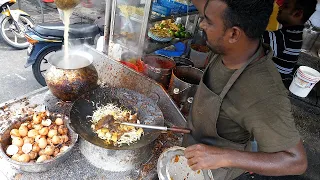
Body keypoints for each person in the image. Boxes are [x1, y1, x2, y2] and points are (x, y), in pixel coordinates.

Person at [183, 0, 307, 180]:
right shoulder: (231, 48)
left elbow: (296, 162)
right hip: (191, 151)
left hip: (213, 174)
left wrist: (224, 157)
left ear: (233, 34)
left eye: (208, 21)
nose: (201, 24)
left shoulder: (262, 92)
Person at [263, 0, 317, 86]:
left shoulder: (285, 38)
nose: (280, 8)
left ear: (297, 14)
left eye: (286, 6)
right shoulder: (295, 34)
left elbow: (251, 41)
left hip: (270, 84)